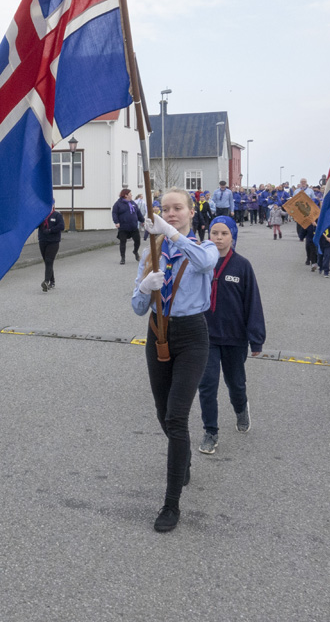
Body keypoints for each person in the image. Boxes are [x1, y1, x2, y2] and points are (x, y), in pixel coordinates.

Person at [133, 190, 219, 532]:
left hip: (192, 336)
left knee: (177, 415)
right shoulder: (149, 253)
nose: (170, 213)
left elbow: (204, 263)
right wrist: (144, 287)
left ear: (190, 211)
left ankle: (171, 504)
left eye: (177, 208)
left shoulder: (203, 246)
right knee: (162, 412)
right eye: (165, 210)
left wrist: (171, 235)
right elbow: (138, 308)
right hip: (158, 333)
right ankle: (181, 459)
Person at [197, 216, 264, 455]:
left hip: (234, 337)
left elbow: (252, 302)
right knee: (207, 385)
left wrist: (256, 338)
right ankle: (210, 431)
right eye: (214, 233)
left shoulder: (242, 266)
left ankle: (241, 407)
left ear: (232, 236)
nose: (218, 238)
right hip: (206, 336)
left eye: (224, 233)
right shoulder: (200, 262)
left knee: (235, 383)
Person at [112, 188, 144, 265]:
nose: (131, 195)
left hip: (133, 227)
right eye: (130, 194)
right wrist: (116, 222)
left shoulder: (133, 203)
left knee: (138, 241)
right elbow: (114, 213)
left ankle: (135, 251)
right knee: (123, 243)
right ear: (126, 195)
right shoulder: (118, 204)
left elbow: (138, 213)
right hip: (123, 227)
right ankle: (123, 258)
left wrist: (142, 220)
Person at [38, 201, 65, 291]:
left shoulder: (57, 215)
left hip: (53, 242)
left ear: (53, 205)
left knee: (49, 261)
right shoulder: (41, 215)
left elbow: (62, 226)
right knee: (47, 262)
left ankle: (46, 282)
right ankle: (52, 281)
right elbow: (35, 226)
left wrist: (50, 230)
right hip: (42, 241)